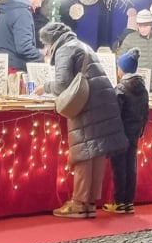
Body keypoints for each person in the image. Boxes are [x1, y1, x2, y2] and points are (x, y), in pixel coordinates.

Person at [54, 39, 128, 218]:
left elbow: (62, 83)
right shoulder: (85, 49)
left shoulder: (67, 50)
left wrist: (46, 87)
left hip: (86, 105)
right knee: (97, 152)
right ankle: (91, 202)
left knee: (83, 153)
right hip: (102, 103)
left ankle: (79, 203)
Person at [109, 50, 150, 213]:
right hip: (134, 133)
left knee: (119, 167)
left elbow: (115, 114)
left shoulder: (120, 88)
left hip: (121, 134)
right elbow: (146, 111)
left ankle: (119, 202)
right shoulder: (142, 87)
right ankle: (129, 202)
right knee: (131, 166)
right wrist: (141, 129)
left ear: (122, 69)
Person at [0, 0, 47, 74]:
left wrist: (38, 51)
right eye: (41, 0)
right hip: (15, 71)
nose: (40, 5)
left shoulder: (10, 8)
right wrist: (43, 59)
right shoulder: (23, 13)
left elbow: (11, 43)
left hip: (3, 67)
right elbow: (24, 47)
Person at [115, 8, 152, 94]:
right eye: (140, 26)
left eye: (146, 26)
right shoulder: (130, 38)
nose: (143, 29)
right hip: (133, 88)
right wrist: (127, 78)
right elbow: (119, 60)